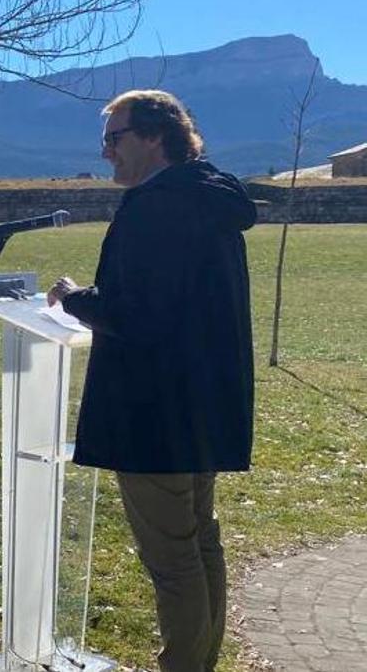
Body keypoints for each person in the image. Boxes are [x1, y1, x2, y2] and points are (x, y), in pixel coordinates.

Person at [48, 90, 256, 672]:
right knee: (200, 542)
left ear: (154, 138)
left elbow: (135, 313)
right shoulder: (209, 200)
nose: (106, 152)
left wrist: (72, 299)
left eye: (114, 139)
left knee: (173, 560)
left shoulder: (154, 208)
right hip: (206, 406)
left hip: (154, 412)